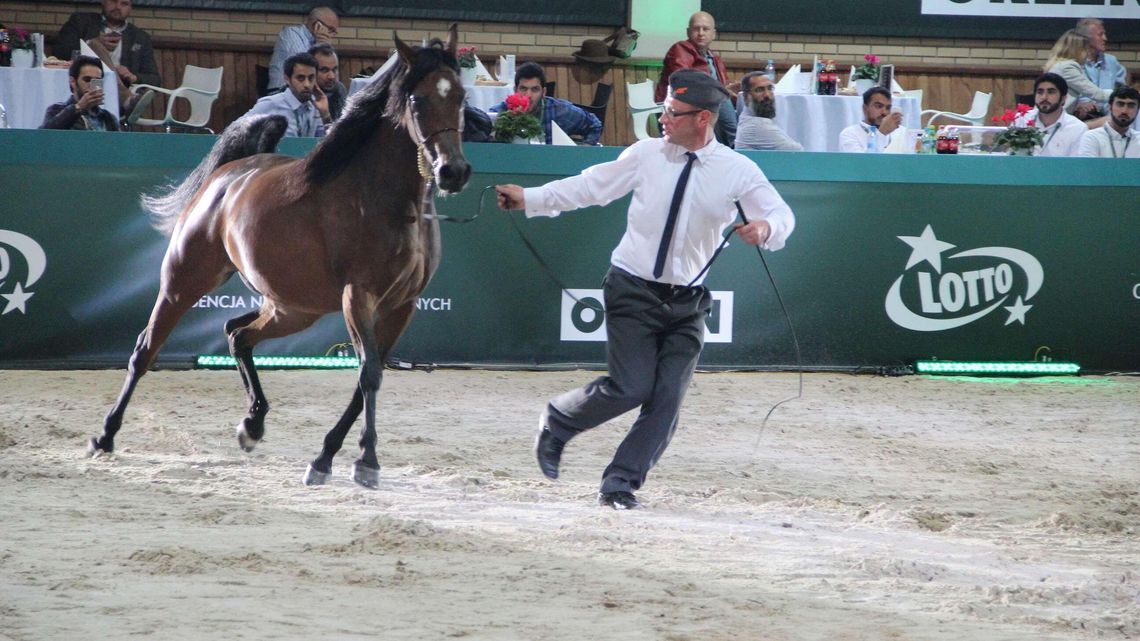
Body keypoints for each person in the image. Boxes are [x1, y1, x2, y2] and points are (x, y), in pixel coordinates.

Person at [494, 70, 794, 510]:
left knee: (667, 399)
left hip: (688, 302)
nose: (663, 119)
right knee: (632, 387)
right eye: (664, 109)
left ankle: (620, 483)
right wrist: (530, 198)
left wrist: (766, 227)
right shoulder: (646, 154)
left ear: (703, 118)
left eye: (673, 112)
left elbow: (782, 216)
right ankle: (560, 420)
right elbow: (590, 186)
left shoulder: (738, 171)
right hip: (631, 288)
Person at [655, 11, 738, 147]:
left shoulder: (714, 58)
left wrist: (734, 90)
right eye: (696, 29)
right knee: (723, 101)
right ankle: (736, 144)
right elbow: (683, 82)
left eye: (705, 29)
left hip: (706, 104)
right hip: (681, 104)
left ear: (713, 34)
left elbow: (722, 84)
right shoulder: (679, 50)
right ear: (688, 32)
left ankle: (736, 143)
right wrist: (721, 91)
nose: (701, 33)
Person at [488, 62, 602, 145]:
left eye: (535, 89)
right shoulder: (500, 112)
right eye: (523, 88)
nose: (528, 95)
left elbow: (594, 124)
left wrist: (585, 148)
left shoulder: (559, 110)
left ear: (544, 92)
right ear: (515, 90)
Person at [55, 0, 161, 89]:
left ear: (130, 8)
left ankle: (123, 97)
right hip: (84, 84)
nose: (117, 7)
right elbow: (59, 52)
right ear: (103, 2)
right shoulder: (80, 21)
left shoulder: (140, 37)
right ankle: (126, 99)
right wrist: (91, 45)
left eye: (124, 3)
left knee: (110, 87)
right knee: (96, 79)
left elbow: (155, 79)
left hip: (120, 86)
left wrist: (133, 77)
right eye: (113, 1)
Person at [240, 53, 327, 138]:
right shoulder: (271, 103)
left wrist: (325, 115)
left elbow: (324, 142)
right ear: (287, 79)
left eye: (311, 78)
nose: (307, 84)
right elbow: (237, 129)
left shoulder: (314, 106)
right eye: (300, 78)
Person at [267, 6, 338, 93]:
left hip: (307, 91)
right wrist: (320, 45)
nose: (332, 35)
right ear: (316, 24)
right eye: (331, 30)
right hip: (282, 91)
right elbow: (303, 67)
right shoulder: (291, 34)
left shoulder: (318, 42)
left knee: (339, 88)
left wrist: (323, 46)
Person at [40, 55, 120, 131]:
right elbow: (44, 135)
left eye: (96, 81)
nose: (91, 85)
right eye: (87, 80)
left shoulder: (108, 118)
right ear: (73, 82)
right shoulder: (56, 110)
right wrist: (78, 107)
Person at [1014, 73, 1087, 158]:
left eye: (1051, 92)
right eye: (1040, 92)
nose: (1044, 97)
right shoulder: (1021, 120)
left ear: (1063, 98)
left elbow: (1076, 164)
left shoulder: (1078, 128)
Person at [1045, 30, 1111, 119]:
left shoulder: (1059, 65)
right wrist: (1122, 94)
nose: (1088, 54)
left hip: (1054, 117)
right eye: (1086, 49)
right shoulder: (1068, 68)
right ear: (1077, 50)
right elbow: (1098, 95)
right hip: (1056, 119)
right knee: (1107, 120)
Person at [734, 71, 803, 151]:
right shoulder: (757, 126)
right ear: (746, 97)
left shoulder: (749, 116)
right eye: (759, 90)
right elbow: (798, 151)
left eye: (770, 88)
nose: (767, 95)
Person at [1074, 18, 1129, 118]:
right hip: (1080, 117)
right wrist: (1077, 105)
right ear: (1086, 38)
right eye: (1100, 34)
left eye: (1104, 34)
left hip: (1110, 117)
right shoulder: (1073, 63)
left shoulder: (1112, 61)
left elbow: (1123, 90)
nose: (1105, 38)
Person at [838, 87, 908, 153]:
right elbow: (861, 161)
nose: (884, 112)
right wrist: (881, 133)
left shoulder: (903, 132)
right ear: (865, 108)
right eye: (878, 106)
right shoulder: (850, 134)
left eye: (888, 108)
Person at [1077, 86, 1139, 158]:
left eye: (1131, 106)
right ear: (1110, 107)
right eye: (1120, 104)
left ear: (1138, 110)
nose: (1124, 111)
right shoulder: (1092, 137)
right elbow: (1088, 165)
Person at [308, 43, 346, 122]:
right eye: (324, 70)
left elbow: (341, 126)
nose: (331, 76)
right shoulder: (299, 92)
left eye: (334, 70)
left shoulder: (339, 89)